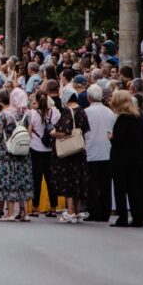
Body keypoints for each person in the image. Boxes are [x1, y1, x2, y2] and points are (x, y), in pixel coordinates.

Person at [0, 88, 34, 222]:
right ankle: (24, 212)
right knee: (21, 179)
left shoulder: (5, 115)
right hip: (23, 151)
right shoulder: (27, 115)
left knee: (9, 179)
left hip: (7, 151)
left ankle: (10, 212)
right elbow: (29, 133)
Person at [109, 90, 143, 227]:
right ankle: (138, 217)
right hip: (136, 159)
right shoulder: (139, 117)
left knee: (121, 190)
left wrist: (111, 137)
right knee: (135, 189)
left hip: (121, 160)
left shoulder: (122, 119)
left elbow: (118, 139)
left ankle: (122, 217)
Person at [51, 94, 91, 223]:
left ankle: (70, 211)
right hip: (79, 149)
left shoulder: (68, 111)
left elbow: (63, 131)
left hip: (68, 152)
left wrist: (53, 133)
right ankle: (77, 211)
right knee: (77, 179)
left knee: (68, 179)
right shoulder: (82, 111)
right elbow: (85, 129)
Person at [83, 84, 116, 222]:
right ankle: (105, 211)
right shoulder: (109, 112)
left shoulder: (86, 112)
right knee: (105, 184)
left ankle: (94, 211)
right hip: (106, 151)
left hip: (91, 150)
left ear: (89, 97)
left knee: (92, 184)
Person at [27, 91, 60, 217]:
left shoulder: (33, 113)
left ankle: (35, 207)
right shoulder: (54, 112)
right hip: (50, 148)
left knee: (36, 179)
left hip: (35, 148)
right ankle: (53, 208)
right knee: (51, 179)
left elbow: (29, 131)